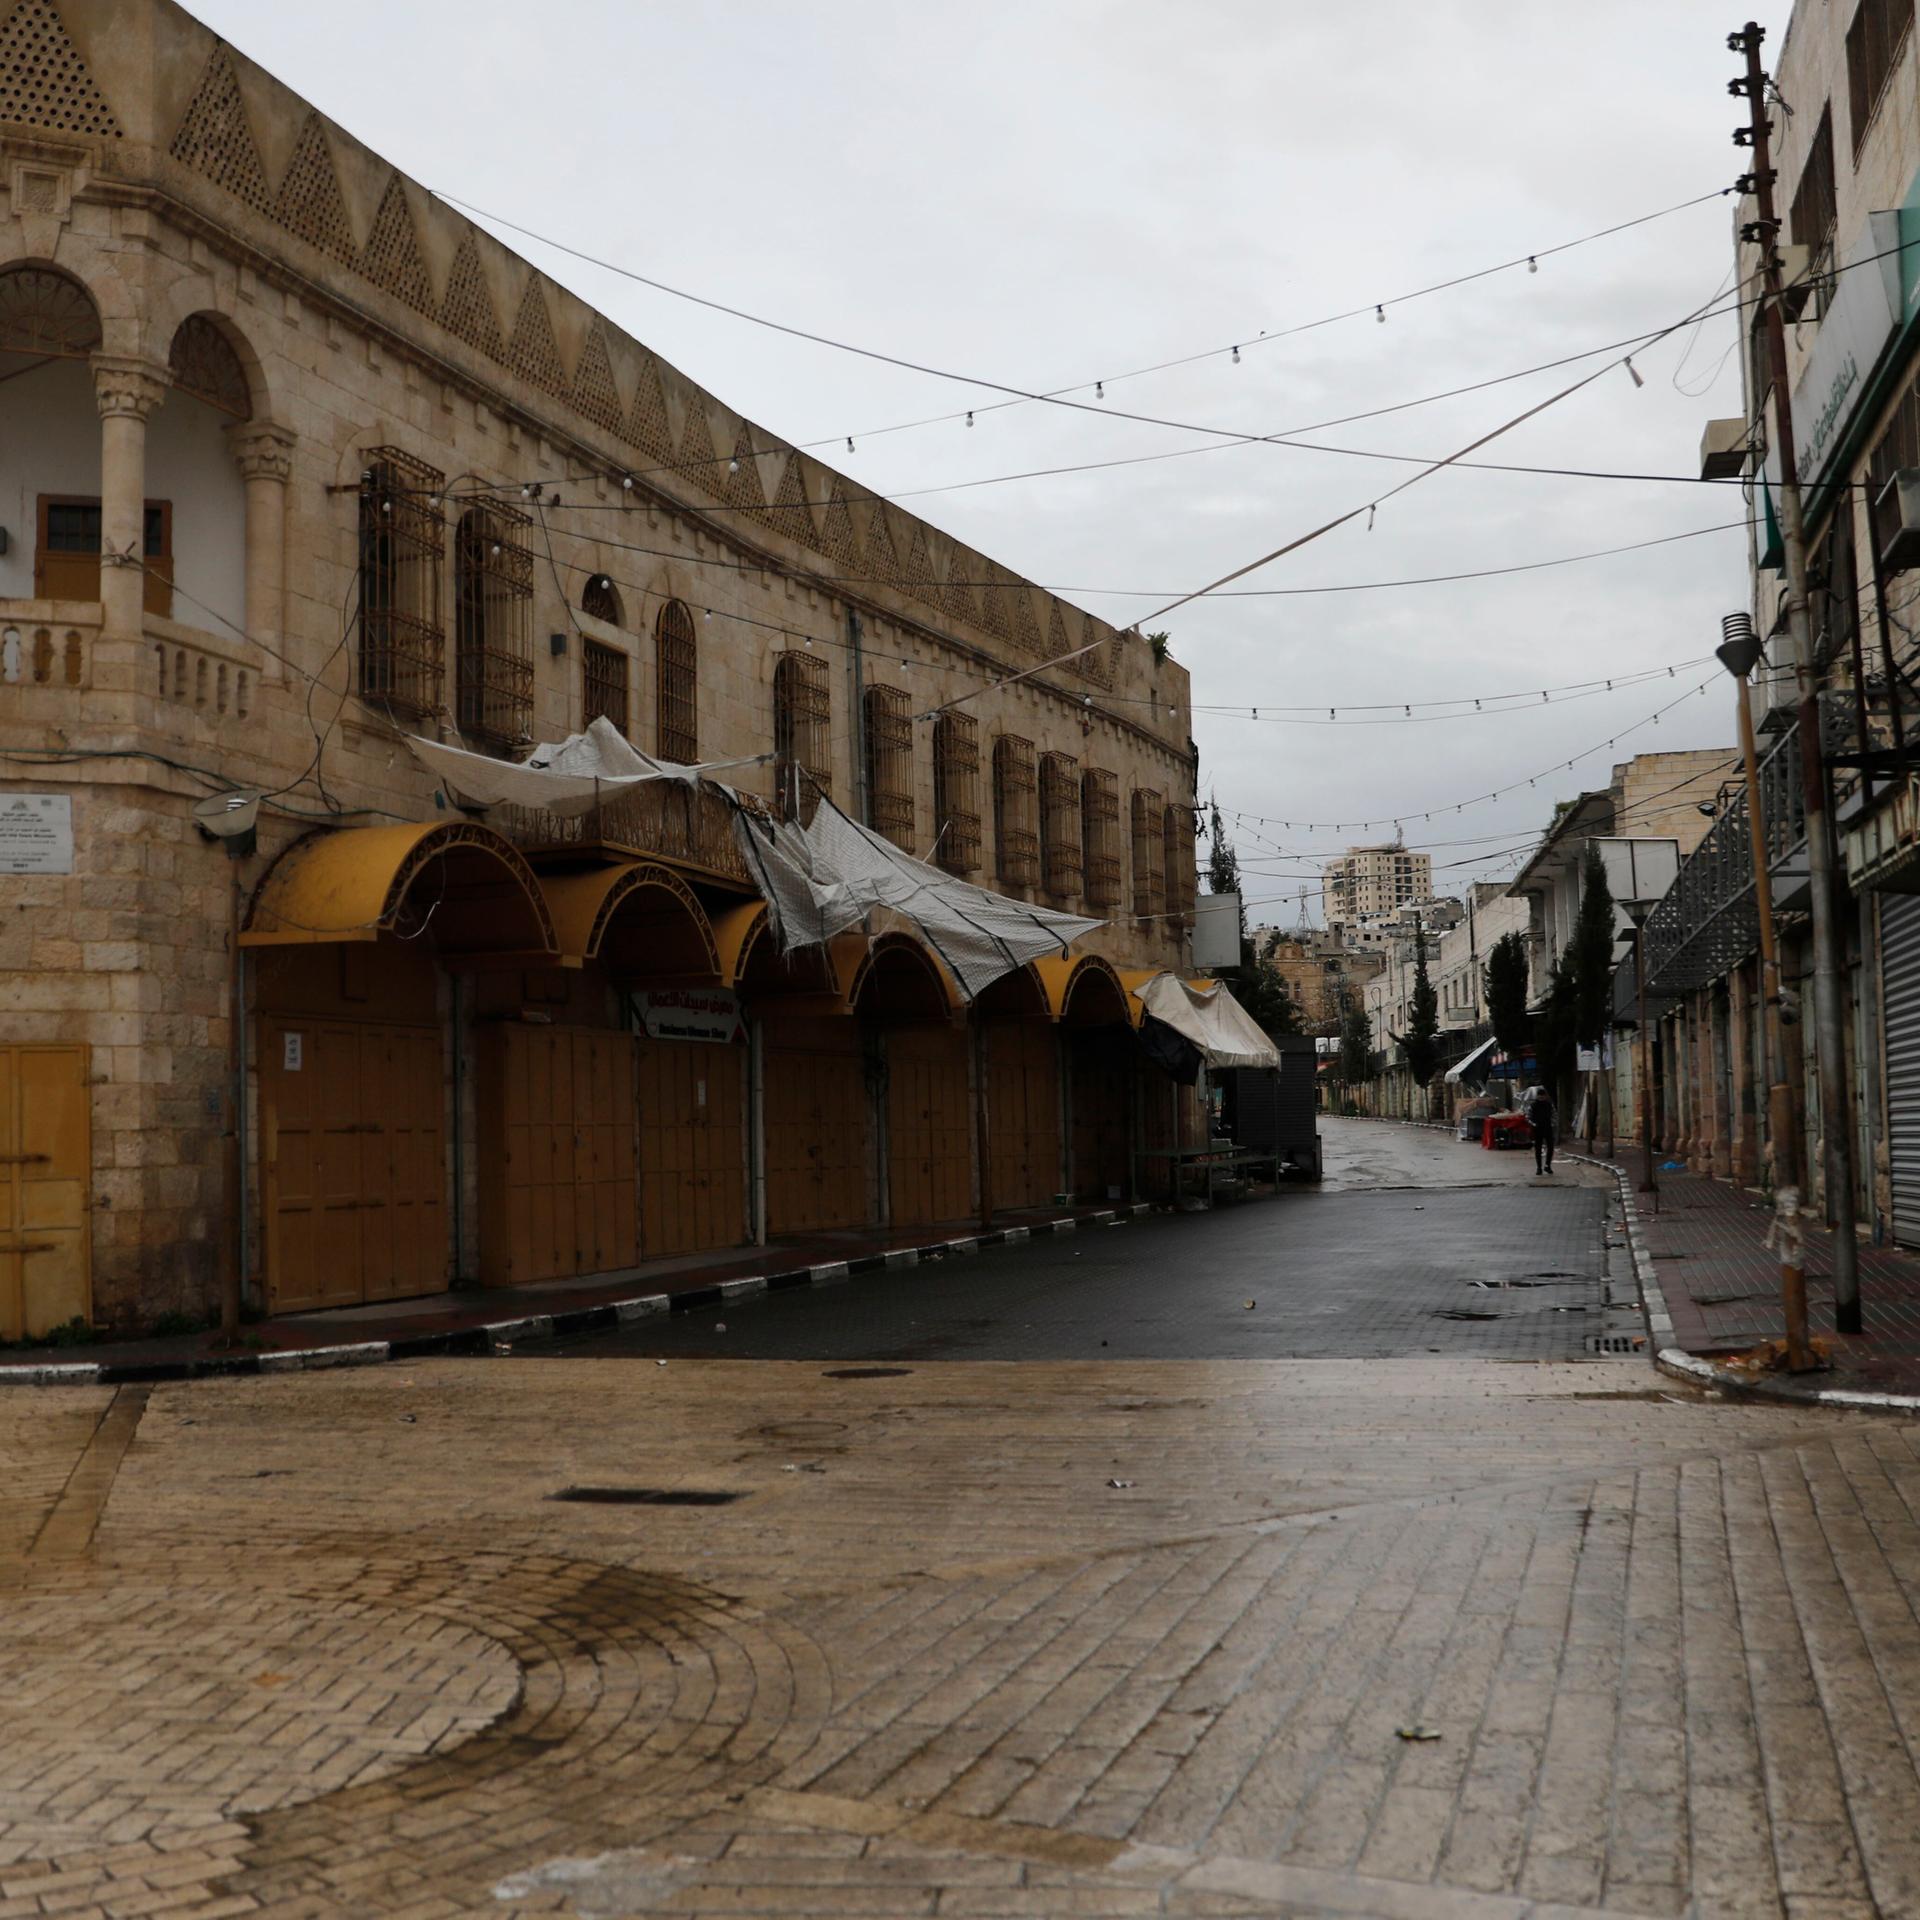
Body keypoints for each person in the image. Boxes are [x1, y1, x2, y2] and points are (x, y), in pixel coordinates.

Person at [1525, 1084, 1557, 1175]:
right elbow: (1528, 1116)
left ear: (1545, 1096)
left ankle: (1547, 1165)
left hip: (1548, 1128)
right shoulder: (1533, 1105)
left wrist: (1552, 1124)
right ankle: (1539, 1167)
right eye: (1540, 1096)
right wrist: (1534, 1124)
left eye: (1543, 1096)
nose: (1541, 1097)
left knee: (1550, 1147)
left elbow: (1554, 1115)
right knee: (1538, 1149)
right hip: (1537, 1129)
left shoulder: (1549, 1105)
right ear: (1537, 1096)